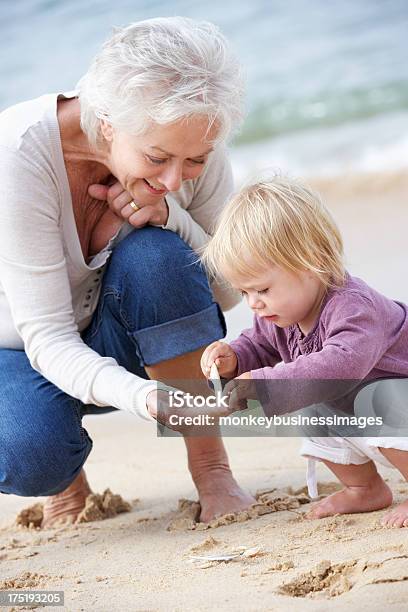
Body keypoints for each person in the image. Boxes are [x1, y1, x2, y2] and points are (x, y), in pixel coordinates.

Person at [0, 16, 255, 527]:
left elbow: (232, 291)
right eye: (156, 157)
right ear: (108, 122)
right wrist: (145, 397)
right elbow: (47, 337)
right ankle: (68, 485)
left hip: (121, 335)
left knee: (158, 256)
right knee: (32, 454)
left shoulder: (192, 138)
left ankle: (212, 469)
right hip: (19, 350)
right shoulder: (18, 153)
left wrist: (173, 220)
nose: (172, 178)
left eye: (194, 162)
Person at [200, 177, 408, 528]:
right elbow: (260, 344)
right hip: (363, 409)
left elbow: (340, 366)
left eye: (262, 288)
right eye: (244, 291)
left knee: (378, 398)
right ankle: (364, 488)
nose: (253, 303)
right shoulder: (280, 314)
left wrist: (265, 384)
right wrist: (234, 358)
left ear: (312, 262)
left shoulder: (355, 307)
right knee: (312, 408)